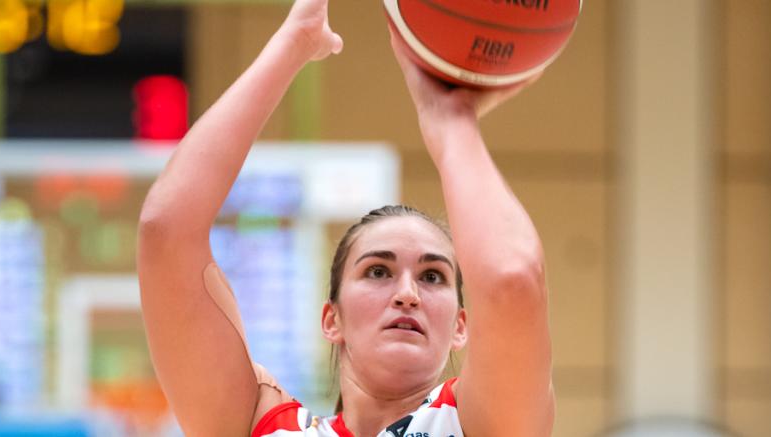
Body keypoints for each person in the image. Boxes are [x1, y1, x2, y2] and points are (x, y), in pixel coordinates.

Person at [137, 0, 554, 435]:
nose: (407, 293)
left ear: (461, 326)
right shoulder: (267, 428)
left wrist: (450, 120)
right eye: (378, 270)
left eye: (433, 276)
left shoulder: (480, 422)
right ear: (331, 319)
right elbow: (166, 232)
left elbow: (513, 280)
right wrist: (291, 45)